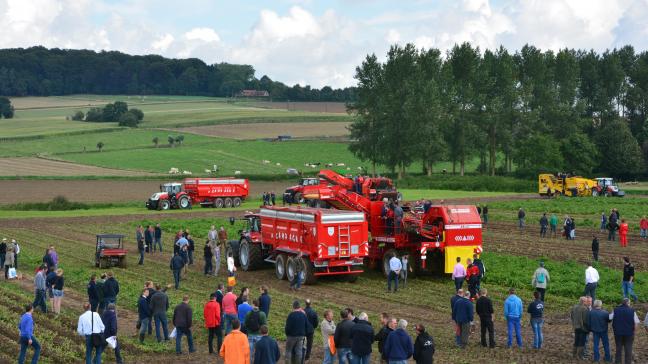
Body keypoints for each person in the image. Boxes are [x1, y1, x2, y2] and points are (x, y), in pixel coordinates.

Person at [611, 298, 640, 364]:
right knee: (628, 348)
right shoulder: (632, 311)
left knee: (618, 347)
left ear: (622, 303)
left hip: (618, 333)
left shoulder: (615, 310)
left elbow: (610, 318)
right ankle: (628, 362)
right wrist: (633, 331)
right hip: (629, 333)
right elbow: (636, 322)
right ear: (628, 303)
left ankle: (618, 362)